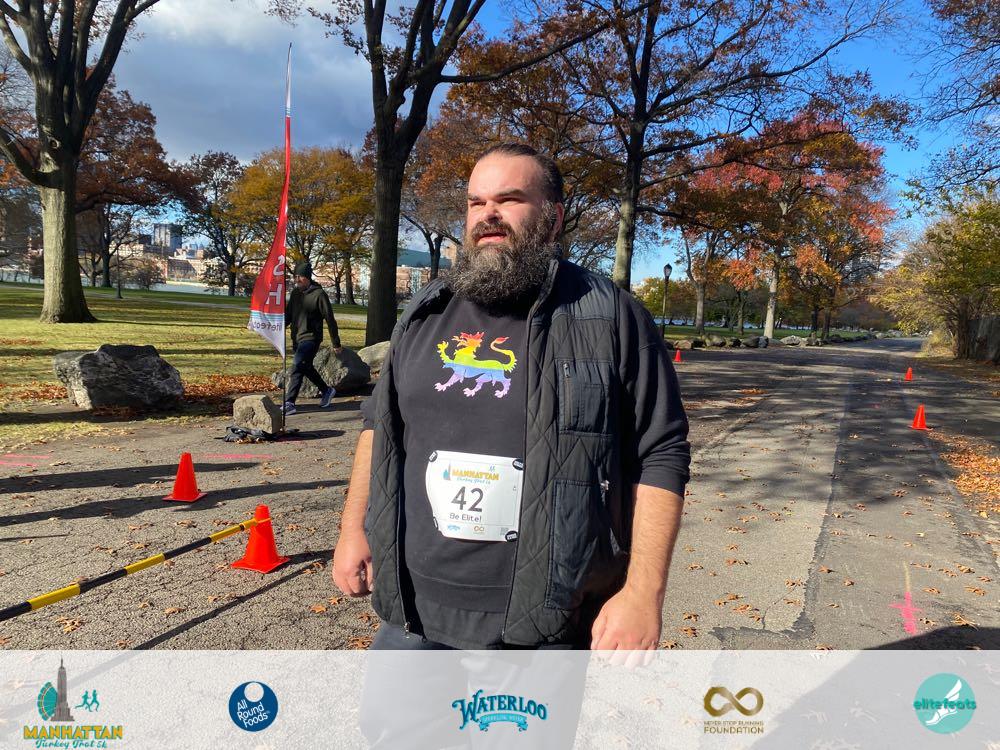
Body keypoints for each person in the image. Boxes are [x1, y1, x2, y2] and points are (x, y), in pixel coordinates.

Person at [333, 143, 690, 653]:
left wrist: (643, 593)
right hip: (415, 609)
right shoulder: (426, 312)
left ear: (554, 217)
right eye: (476, 202)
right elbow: (380, 425)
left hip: (547, 618)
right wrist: (354, 529)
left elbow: (661, 454)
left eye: (509, 199)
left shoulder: (611, 317)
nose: (488, 215)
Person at [284, 261, 342, 415]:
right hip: (297, 338)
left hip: (311, 338)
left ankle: (290, 402)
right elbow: (288, 315)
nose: (297, 279)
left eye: (300, 277)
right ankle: (326, 390)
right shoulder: (295, 294)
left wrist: (336, 343)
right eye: (295, 276)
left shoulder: (319, 295)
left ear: (308, 278)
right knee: (306, 367)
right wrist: (277, 328)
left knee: (297, 365)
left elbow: (330, 319)